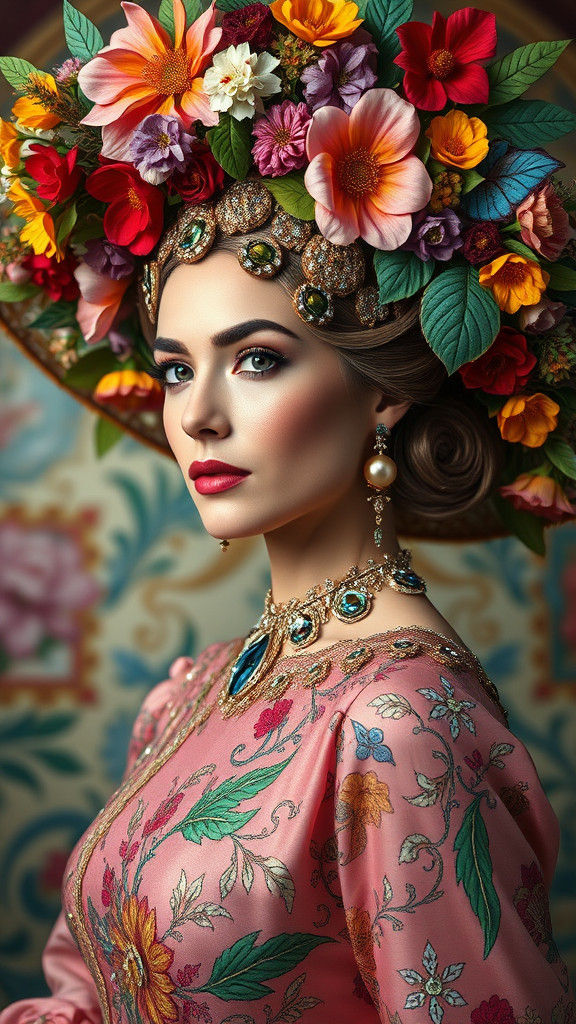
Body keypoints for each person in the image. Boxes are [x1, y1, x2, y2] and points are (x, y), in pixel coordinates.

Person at [0, 0, 575, 1021]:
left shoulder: (399, 731)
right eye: (176, 369)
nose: (200, 416)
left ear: (385, 388)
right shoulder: (195, 689)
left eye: (257, 359)